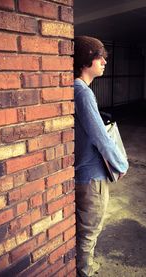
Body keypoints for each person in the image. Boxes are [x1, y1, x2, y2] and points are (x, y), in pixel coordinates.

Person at [74, 36, 129, 277]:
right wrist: (121, 164)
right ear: (87, 60)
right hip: (91, 176)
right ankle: (84, 271)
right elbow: (101, 138)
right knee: (89, 231)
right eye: (100, 56)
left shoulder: (71, 88)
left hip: (79, 172)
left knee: (82, 228)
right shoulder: (83, 93)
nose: (105, 61)